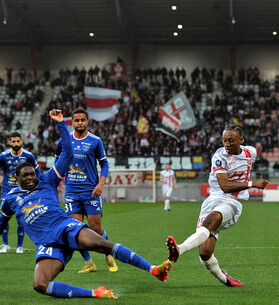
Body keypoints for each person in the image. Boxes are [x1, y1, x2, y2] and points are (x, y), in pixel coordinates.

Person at [0, 110, 172, 299]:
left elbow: (67, 152)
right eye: (25, 175)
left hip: (65, 227)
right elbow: (2, 222)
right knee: (39, 284)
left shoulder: (47, 180)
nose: (31, 177)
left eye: (32, 173)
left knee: (101, 241)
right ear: (16, 178)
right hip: (47, 244)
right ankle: (96, 292)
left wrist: (60, 124)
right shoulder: (10, 198)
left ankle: (154, 269)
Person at [166, 124, 269, 287]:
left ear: (241, 140)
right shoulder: (219, 157)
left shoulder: (251, 152)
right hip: (212, 199)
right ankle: (226, 280)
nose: (227, 144)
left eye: (231, 140)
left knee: (211, 220)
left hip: (232, 202)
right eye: (224, 140)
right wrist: (252, 184)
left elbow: (230, 191)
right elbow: (225, 186)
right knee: (205, 254)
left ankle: (179, 249)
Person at [55, 109, 116, 273]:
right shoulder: (64, 141)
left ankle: (109, 255)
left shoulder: (95, 141)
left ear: (87, 121)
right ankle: (89, 262)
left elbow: (104, 164)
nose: (80, 123)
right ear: (72, 122)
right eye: (76, 120)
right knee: (76, 229)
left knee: (95, 228)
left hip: (91, 191)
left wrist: (101, 184)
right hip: (72, 192)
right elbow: (57, 164)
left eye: (82, 120)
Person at [0, 131, 41, 254]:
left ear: (21, 142)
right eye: (13, 141)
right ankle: (5, 244)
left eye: (18, 141)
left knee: (21, 219)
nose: (16, 143)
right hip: (7, 192)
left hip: (23, 192)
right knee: (3, 217)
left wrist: (36, 185)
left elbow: (37, 171)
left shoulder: (28, 156)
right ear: (9, 142)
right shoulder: (3, 156)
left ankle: (19, 246)